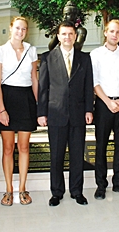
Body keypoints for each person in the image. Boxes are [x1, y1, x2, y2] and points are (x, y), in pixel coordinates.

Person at [38, 21, 94, 206]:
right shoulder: (47, 58)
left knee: (78, 155)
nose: (67, 37)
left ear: (75, 36)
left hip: (78, 114)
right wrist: (41, 113)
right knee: (56, 156)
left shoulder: (84, 59)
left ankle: (77, 191)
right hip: (56, 113)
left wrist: (89, 109)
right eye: (64, 34)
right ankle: (57, 192)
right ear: (58, 36)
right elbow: (43, 88)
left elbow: (88, 86)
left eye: (71, 34)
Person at [0, 16, 38, 206]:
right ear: (11, 28)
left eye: (24, 29)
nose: (20, 32)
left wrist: (39, 105)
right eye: (18, 28)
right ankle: (9, 189)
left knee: (24, 147)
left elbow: (34, 79)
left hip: (26, 99)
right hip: (8, 98)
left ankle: (23, 189)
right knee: (8, 148)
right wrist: (1, 109)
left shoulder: (31, 50)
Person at [91, 19, 119, 199]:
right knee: (101, 146)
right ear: (105, 32)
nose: (115, 35)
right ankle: (101, 185)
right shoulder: (95, 54)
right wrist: (109, 102)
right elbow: (95, 82)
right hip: (103, 104)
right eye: (111, 31)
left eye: (117, 32)